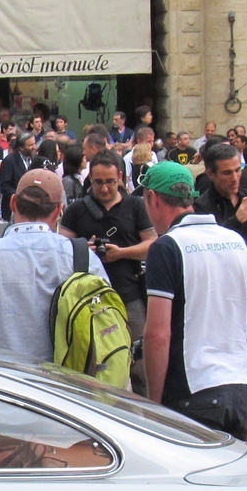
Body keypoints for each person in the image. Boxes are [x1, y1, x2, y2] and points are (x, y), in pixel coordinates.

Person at [142, 162, 247, 441]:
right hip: (237, 390)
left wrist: (154, 401)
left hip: (189, 394)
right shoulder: (236, 240)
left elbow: (158, 335)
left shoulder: (166, 247)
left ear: (153, 198)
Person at [0, 169, 107, 360]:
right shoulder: (82, 257)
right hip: (67, 385)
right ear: (58, 210)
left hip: (1, 383)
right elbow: (104, 328)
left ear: (13, 203)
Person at [59, 149, 155, 392]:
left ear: (120, 177)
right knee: (91, 359)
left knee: (141, 362)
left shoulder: (136, 206)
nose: (104, 189)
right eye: (98, 182)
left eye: (110, 182)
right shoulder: (77, 210)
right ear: (90, 178)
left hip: (129, 292)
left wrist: (121, 253)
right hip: (88, 298)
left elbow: (152, 244)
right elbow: (60, 247)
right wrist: (84, 249)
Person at [194, 141, 247, 285]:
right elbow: (209, 250)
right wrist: (236, 220)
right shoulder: (202, 207)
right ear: (211, 174)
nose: (234, 178)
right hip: (225, 286)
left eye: (238, 170)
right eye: (227, 173)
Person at [0, 133, 37, 222]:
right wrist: (21, 197)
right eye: (30, 145)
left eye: (34, 144)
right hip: (14, 209)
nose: (34, 147)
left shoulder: (35, 159)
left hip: (33, 209)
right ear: (21, 147)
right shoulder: (9, 161)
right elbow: (4, 185)